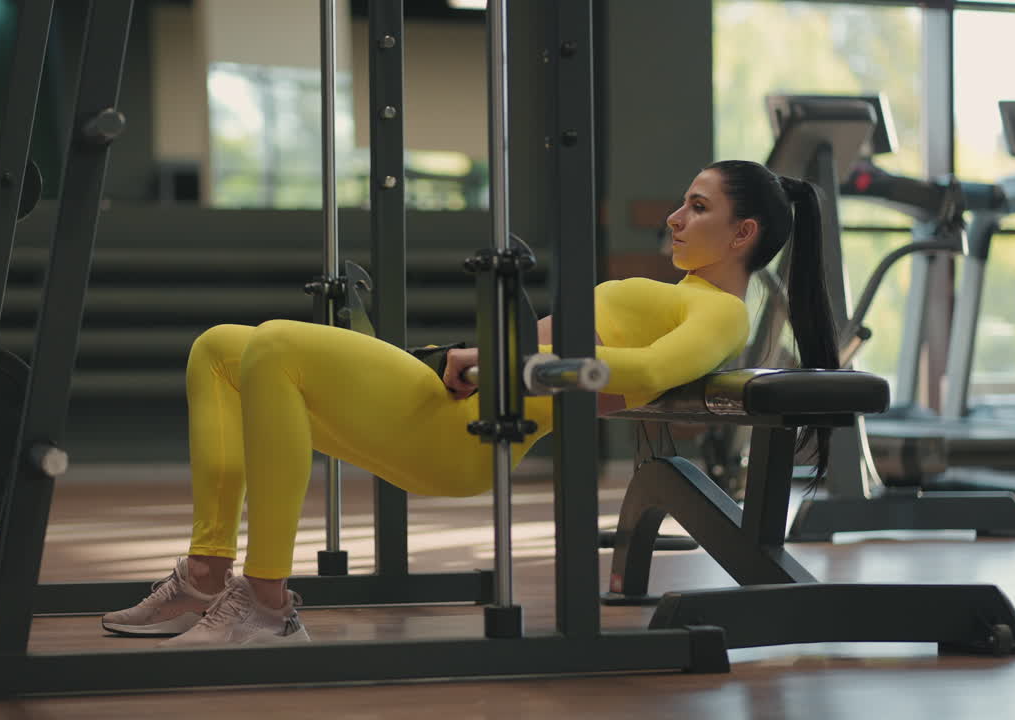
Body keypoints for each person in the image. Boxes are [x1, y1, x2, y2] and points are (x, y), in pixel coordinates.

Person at [100, 159, 839, 647]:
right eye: (681, 203)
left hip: (464, 439)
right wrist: (481, 354)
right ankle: (205, 573)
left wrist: (512, 362)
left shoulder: (721, 314)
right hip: (452, 403)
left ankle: (263, 601)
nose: (676, 218)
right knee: (220, 348)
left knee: (273, 349)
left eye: (698, 207)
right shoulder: (683, 293)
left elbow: (642, 371)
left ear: (743, 233)